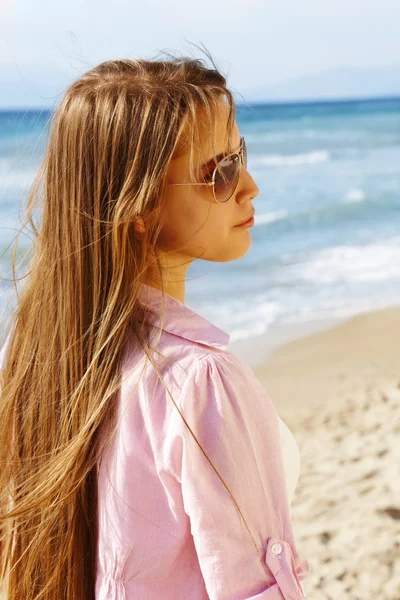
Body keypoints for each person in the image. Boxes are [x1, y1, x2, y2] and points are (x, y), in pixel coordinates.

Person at [0, 49, 311, 599]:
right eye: (220, 171)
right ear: (137, 207)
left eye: (242, 154)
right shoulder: (202, 384)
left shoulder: (32, 361)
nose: (250, 186)